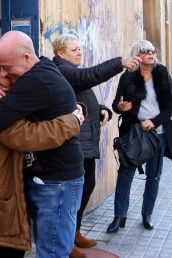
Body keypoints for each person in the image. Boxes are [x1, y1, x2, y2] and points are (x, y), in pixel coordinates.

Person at [0, 31, 85, 258]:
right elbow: (28, 135)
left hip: (1, 192)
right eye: (2, 71)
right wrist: (72, 121)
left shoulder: (24, 87)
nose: (8, 75)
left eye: (8, 68)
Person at [52, 34, 141, 258]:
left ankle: (75, 232)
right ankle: (66, 240)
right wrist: (119, 63)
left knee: (86, 186)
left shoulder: (69, 71)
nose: (79, 52)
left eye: (79, 49)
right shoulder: (63, 70)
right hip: (74, 142)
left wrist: (102, 108)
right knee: (74, 193)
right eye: (74, 50)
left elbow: (81, 95)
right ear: (61, 53)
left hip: (85, 141)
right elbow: (85, 78)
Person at [107, 40, 172, 234]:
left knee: (153, 175)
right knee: (125, 174)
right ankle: (119, 216)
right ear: (137, 55)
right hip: (133, 134)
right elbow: (116, 105)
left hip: (158, 134)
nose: (150, 53)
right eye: (145, 51)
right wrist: (120, 108)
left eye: (152, 50)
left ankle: (147, 214)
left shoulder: (162, 73)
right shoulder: (128, 77)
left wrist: (154, 121)